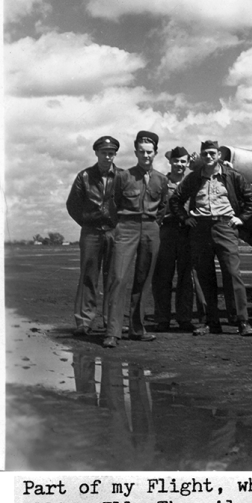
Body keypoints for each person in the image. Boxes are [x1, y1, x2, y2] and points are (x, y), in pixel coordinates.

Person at [171, 140, 252, 337]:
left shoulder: (233, 176)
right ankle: (209, 321)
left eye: (212, 153)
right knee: (203, 276)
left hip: (225, 227)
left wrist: (240, 218)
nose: (208, 157)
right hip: (200, 228)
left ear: (219, 155)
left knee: (232, 273)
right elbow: (175, 200)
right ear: (201, 157)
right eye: (205, 154)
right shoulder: (193, 179)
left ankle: (242, 321)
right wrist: (185, 218)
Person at [102, 131, 169, 348]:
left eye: (149, 152)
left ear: (155, 153)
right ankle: (112, 332)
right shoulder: (123, 176)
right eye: (141, 151)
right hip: (126, 227)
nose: (146, 155)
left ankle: (137, 329)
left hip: (150, 229)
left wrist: (154, 224)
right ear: (136, 152)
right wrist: (117, 227)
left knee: (143, 279)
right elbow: (112, 203)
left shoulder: (161, 179)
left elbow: (163, 206)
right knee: (119, 277)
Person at [66, 135, 122, 336]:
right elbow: (72, 204)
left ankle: (111, 320)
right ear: (96, 153)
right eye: (104, 153)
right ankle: (84, 321)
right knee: (88, 276)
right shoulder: (84, 176)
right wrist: (88, 222)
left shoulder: (123, 177)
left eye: (111, 153)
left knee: (113, 276)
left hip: (115, 232)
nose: (108, 157)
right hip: (91, 232)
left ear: (115, 154)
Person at [152, 147, 197, 332]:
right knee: (163, 277)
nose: (179, 165)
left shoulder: (193, 182)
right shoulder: (162, 182)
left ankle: (184, 318)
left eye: (183, 161)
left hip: (188, 233)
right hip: (167, 232)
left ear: (188, 164)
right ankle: (162, 318)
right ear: (170, 162)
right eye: (176, 161)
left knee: (186, 278)